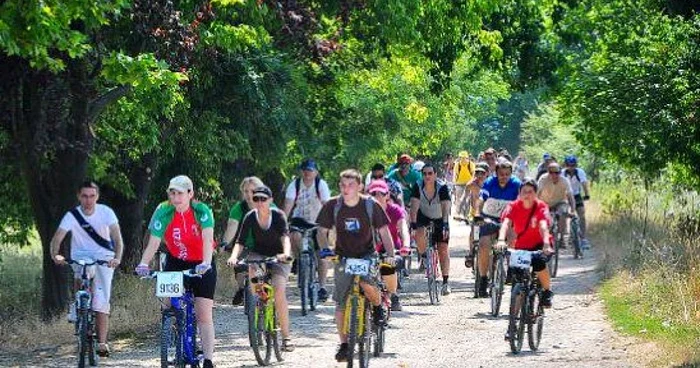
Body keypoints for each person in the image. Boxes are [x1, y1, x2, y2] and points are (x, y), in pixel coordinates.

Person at [136, 175, 217, 368]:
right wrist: (143, 264)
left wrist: (206, 262)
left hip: (201, 261)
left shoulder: (201, 211)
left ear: (190, 194)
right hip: (176, 260)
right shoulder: (163, 211)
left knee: (203, 313)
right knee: (167, 304)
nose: (175, 197)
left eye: (180, 193)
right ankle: (172, 334)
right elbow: (153, 243)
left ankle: (208, 359)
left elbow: (207, 239)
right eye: (172, 193)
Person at [315, 169, 396, 363]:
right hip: (343, 257)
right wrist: (325, 249)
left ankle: (377, 308)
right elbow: (321, 231)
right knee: (341, 302)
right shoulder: (332, 205)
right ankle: (344, 344)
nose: (346, 188)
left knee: (368, 285)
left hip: (366, 255)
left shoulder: (370, 205)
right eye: (342, 184)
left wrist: (391, 255)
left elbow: (384, 232)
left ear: (360, 186)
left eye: (350, 184)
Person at [50, 181, 124, 358]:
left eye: (92, 196)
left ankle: (102, 343)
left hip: (104, 257)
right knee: (79, 275)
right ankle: (77, 305)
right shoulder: (72, 215)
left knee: (101, 298)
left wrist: (117, 258)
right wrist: (55, 255)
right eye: (84, 196)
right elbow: (57, 238)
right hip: (81, 255)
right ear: (78, 196)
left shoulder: (106, 213)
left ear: (97, 196)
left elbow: (117, 238)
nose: (88, 200)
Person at [227, 186, 295, 351]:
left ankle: (286, 337)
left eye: (263, 199)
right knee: (253, 274)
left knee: (278, 290)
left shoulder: (278, 216)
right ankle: (261, 301)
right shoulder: (250, 217)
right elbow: (240, 241)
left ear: (270, 201)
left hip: (279, 256)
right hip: (259, 254)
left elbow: (285, 237)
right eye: (256, 199)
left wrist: (285, 254)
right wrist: (234, 256)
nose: (259, 202)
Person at [498, 178, 555, 341]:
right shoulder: (513, 206)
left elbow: (543, 226)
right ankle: (512, 325)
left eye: (530, 192)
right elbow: (506, 224)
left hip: (539, 244)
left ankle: (546, 291)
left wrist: (545, 243)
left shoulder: (541, 207)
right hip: (521, 247)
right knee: (517, 286)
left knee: (539, 264)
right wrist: (501, 240)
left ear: (535, 193)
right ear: (519, 193)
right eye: (524, 191)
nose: (527, 195)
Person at [283, 158, 331, 302]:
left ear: (316, 172)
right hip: (300, 219)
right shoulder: (295, 184)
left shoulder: (320, 185)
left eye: (310, 170)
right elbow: (288, 205)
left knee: (321, 254)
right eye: (304, 170)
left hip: (318, 220)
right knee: (294, 236)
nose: (307, 173)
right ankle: (299, 260)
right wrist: (282, 222)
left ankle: (322, 287)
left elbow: (326, 204)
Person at [473, 161, 521, 297]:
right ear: (496, 173)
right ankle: (483, 279)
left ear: (511, 174)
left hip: (509, 219)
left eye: (507, 174)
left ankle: (511, 268)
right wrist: (477, 214)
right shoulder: (489, 183)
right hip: (489, 218)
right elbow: (481, 199)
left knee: (513, 237)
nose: (504, 177)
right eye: (501, 174)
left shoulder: (516, 184)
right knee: (483, 245)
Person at [221, 176, 266, 306]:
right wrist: (225, 243)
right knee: (239, 267)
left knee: (263, 269)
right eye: (246, 191)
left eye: (253, 191)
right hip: (244, 245)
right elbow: (232, 226)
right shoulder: (239, 208)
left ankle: (268, 298)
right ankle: (242, 289)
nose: (249, 194)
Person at [409, 163, 453, 295]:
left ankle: (445, 282)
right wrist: (413, 224)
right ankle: (424, 256)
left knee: (443, 249)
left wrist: (445, 224)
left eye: (430, 173)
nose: (427, 176)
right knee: (419, 232)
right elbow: (414, 206)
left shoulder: (442, 187)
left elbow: (446, 207)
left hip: (440, 217)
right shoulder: (418, 185)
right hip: (424, 215)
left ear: (435, 175)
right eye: (424, 174)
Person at [368, 180, 410, 311]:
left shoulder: (395, 210)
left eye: (381, 193)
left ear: (387, 195)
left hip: (391, 249)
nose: (377, 197)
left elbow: (403, 229)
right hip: (369, 249)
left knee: (388, 268)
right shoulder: (364, 210)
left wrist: (406, 246)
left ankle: (393, 294)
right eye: (373, 194)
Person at [537, 162, 577, 247]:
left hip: (560, 202)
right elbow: (537, 195)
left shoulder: (564, 181)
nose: (554, 175)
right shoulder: (543, 179)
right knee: (543, 219)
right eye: (551, 172)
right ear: (548, 172)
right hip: (545, 203)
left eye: (557, 173)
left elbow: (570, 197)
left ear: (560, 172)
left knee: (562, 213)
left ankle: (562, 238)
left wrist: (573, 210)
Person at [463, 163, 489, 268]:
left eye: (482, 173)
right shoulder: (471, 184)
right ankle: (471, 253)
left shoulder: (491, 184)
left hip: (488, 214)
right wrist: (460, 209)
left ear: (487, 173)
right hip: (475, 214)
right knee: (474, 232)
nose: (479, 175)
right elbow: (464, 198)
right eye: (477, 172)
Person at [563, 155, 591, 248]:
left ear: (576, 165)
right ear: (566, 165)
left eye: (573, 165)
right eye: (569, 165)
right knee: (564, 215)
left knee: (582, 215)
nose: (571, 167)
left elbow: (584, 183)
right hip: (565, 196)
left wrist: (586, 194)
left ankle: (583, 238)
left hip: (576, 195)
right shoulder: (562, 173)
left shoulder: (580, 172)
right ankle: (563, 238)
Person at [452, 151, 475, 219]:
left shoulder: (471, 164)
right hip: (459, 184)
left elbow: (473, 174)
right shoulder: (457, 165)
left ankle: (467, 214)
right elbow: (455, 175)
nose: (463, 159)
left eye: (464, 157)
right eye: (461, 157)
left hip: (469, 184)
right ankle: (460, 214)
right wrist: (454, 184)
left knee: (468, 199)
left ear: (467, 157)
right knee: (459, 199)